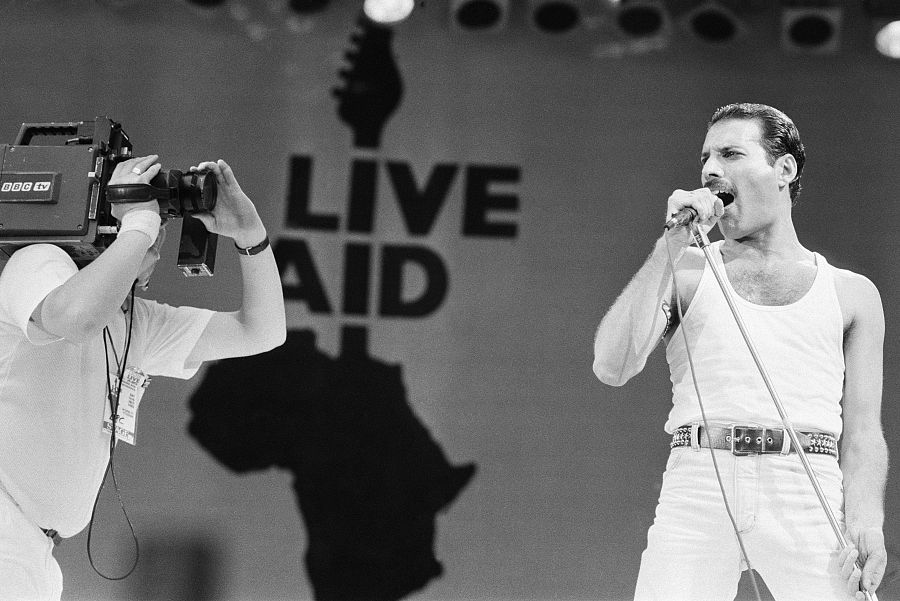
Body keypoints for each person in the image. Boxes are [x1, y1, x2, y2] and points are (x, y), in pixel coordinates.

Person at [593, 103, 887, 601]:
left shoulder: (852, 294)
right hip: (699, 481)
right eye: (705, 158)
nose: (710, 169)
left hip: (807, 488)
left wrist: (866, 521)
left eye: (731, 153)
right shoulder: (684, 272)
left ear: (784, 170)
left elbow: (861, 432)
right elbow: (612, 366)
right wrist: (673, 242)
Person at [0, 155, 286, 601]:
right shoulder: (36, 263)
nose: (155, 254)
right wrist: (138, 226)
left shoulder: (133, 322)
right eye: (151, 239)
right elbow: (74, 318)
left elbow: (262, 331)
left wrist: (251, 236)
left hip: (32, 553)